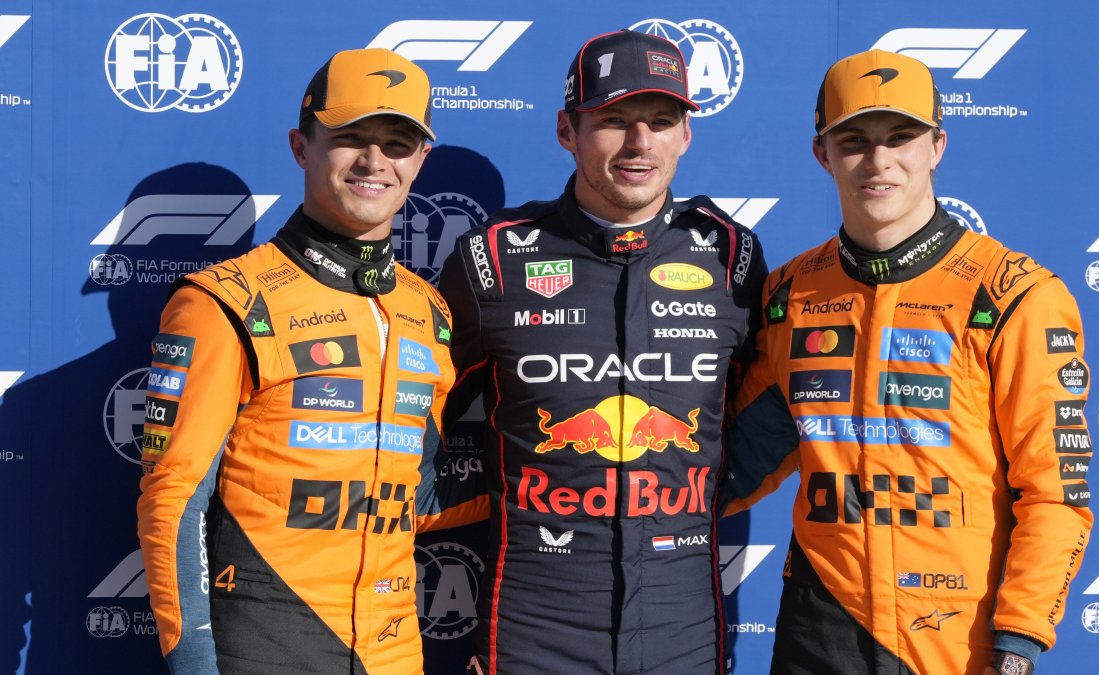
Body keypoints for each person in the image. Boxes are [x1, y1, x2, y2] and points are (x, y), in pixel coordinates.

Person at [725, 49, 1094, 675]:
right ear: (823, 153)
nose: (879, 161)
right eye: (855, 141)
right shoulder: (792, 292)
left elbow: (1055, 494)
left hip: (957, 636)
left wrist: (1021, 641)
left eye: (901, 138)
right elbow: (745, 456)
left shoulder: (1014, 294)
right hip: (819, 624)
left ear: (937, 146)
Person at [136, 48, 477, 674]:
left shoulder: (428, 311)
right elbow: (173, 499)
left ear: (421, 161)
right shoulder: (224, 300)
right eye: (350, 138)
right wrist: (193, 664)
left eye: (398, 143)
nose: (375, 161)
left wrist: (575, 477)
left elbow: (419, 493)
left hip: (397, 653)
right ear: (302, 145)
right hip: (268, 648)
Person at [436, 29, 766, 675]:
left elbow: (767, 418)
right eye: (614, 121)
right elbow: (415, 417)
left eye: (661, 121)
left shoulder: (732, 254)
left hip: (684, 633)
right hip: (533, 635)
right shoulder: (494, 258)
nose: (640, 144)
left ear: (685, 135)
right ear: (568, 130)